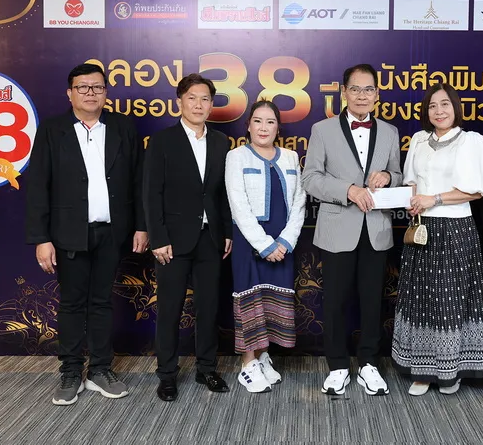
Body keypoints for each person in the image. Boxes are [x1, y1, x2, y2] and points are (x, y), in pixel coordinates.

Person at [25, 63, 148, 405]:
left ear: (106, 92)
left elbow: (139, 180)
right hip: (68, 233)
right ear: (70, 93)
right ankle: (70, 372)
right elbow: (38, 187)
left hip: (112, 231)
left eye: (97, 87)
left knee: (102, 302)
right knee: (72, 303)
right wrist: (41, 238)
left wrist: (142, 225)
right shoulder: (52, 130)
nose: (90, 93)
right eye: (83, 87)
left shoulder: (123, 127)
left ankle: (100, 370)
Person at [302, 63, 402, 396]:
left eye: (368, 89)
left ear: (377, 94)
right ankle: (338, 366)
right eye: (355, 89)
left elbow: (399, 176)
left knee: (373, 301)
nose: (362, 95)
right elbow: (310, 178)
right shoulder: (322, 130)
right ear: (344, 92)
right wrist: (348, 190)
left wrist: (388, 177)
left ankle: (369, 364)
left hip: (376, 230)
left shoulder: (390, 132)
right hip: (337, 228)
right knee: (335, 302)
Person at [392, 83, 483, 396]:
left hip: (456, 229)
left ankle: (451, 372)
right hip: (422, 229)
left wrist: (433, 199)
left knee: (451, 301)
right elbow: (410, 182)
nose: (439, 111)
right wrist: (412, 200)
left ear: (455, 107)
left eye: (445, 104)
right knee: (421, 299)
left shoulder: (472, 140)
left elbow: (477, 191)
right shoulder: (419, 140)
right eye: (433, 105)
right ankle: (422, 372)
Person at [143, 73, 233, 402]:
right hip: (172, 241)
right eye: (192, 98)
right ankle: (167, 374)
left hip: (211, 239)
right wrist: (158, 238)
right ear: (179, 101)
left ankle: (206, 368)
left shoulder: (221, 142)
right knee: (169, 309)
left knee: (209, 308)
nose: (198, 104)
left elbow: (222, 194)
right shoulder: (162, 141)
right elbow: (151, 193)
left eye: (205, 99)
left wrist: (227, 232)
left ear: (211, 104)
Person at [225, 100, 306, 393]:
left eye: (270, 122)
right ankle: (247, 363)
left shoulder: (291, 157)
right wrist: (264, 245)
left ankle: (262, 356)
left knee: (272, 301)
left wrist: (285, 241)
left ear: (278, 127)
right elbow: (238, 205)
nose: (263, 127)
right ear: (248, 125)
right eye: (257, 121)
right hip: (250, 242)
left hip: (283, 242)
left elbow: (300, 202)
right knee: (251, 298)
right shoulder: (236, 156)